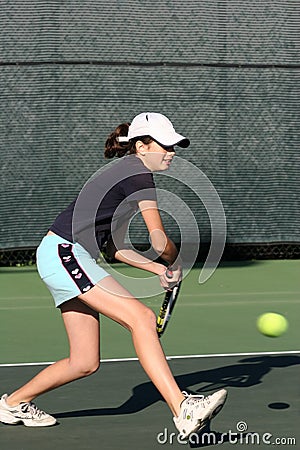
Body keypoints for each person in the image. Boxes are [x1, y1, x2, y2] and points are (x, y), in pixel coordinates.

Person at [0, 112, 227, 438]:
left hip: (64, 255)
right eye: (164, 145)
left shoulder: (124, 176)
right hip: (65, 253)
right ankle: (182, 408)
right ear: (141, 145)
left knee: (84, 361)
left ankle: (13, 403)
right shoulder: (137, 173)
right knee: (142, 318)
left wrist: (157, 268)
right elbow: (158, 239)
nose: (171, 152)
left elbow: (115, 249)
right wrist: (175, 261)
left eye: (174, 146)